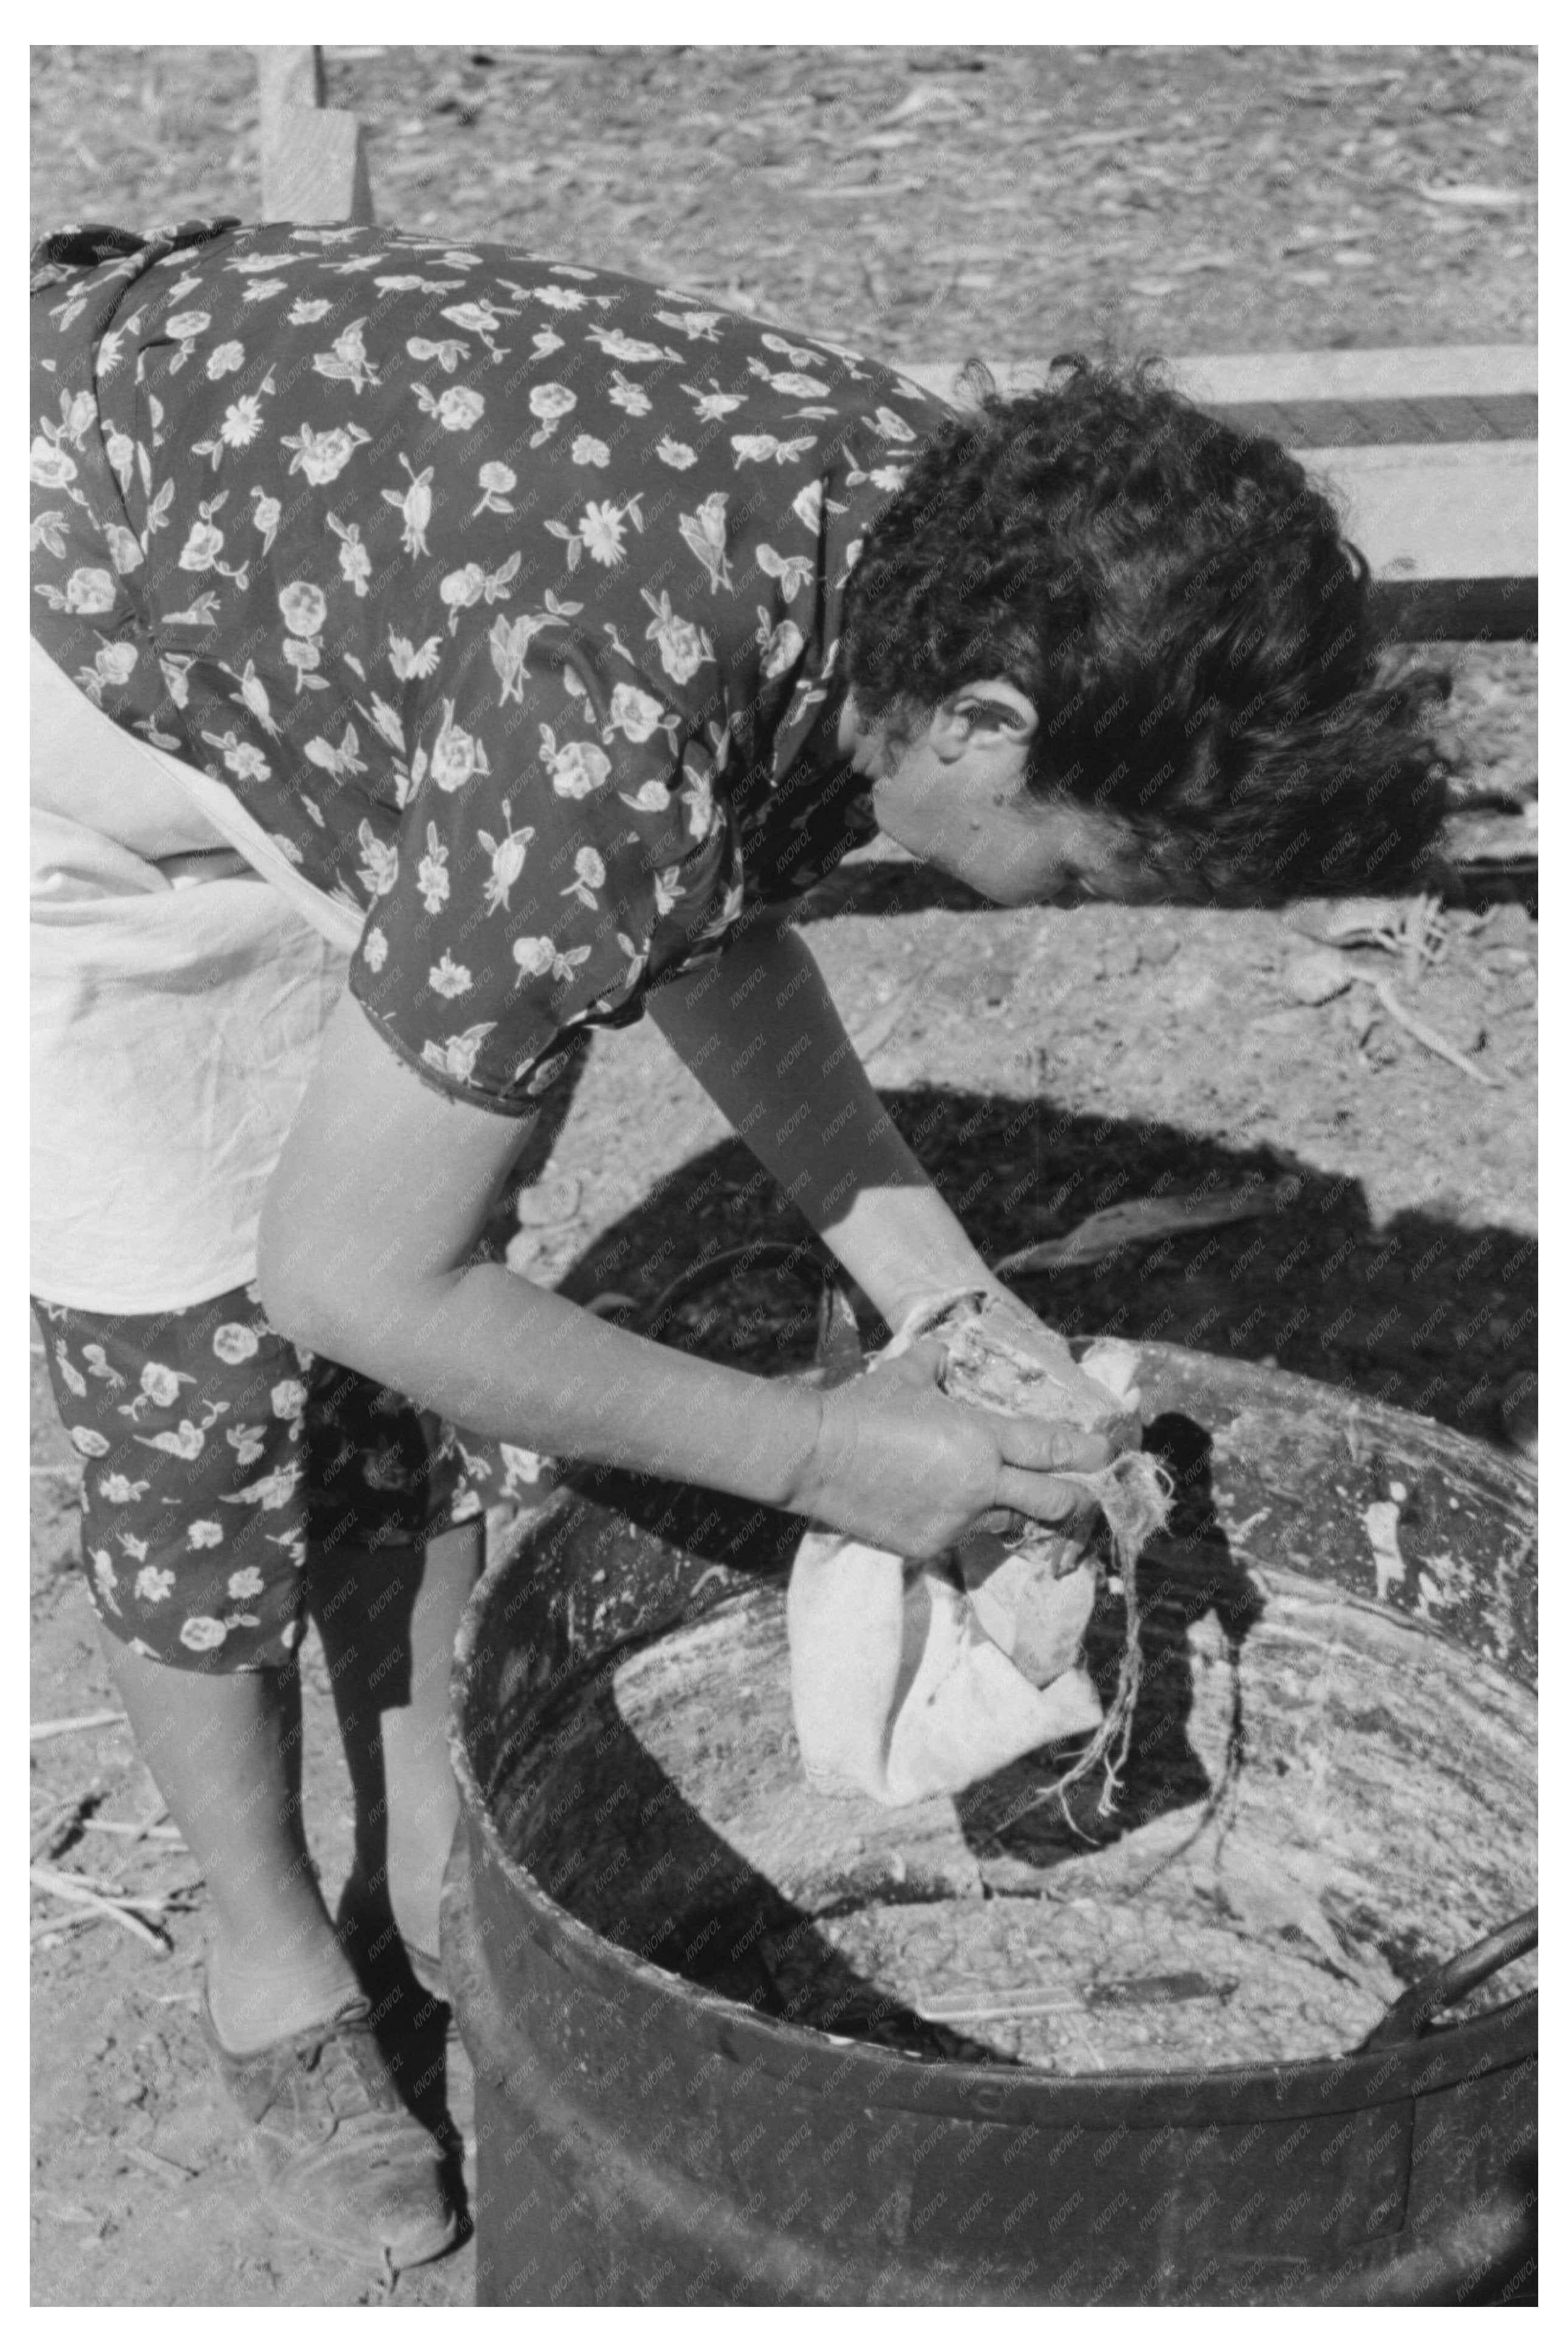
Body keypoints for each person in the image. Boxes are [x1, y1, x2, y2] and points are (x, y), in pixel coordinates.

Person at [30, 215, 1449, 2266]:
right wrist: (829, 1456)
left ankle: (431, 1846)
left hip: (364, 667)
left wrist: (944, 1300)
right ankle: (271, 1969)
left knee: (421, 1326)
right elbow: (348, 1273)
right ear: (987, 726)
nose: (1054, 910)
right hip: (79, 686)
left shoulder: (936, 552)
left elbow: (703, 907)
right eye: (1075, 868)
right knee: (200, 1396)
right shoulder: (603, 723)